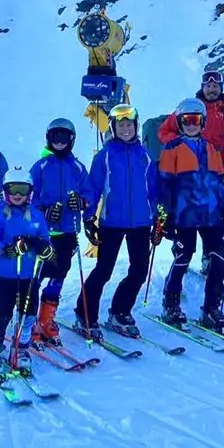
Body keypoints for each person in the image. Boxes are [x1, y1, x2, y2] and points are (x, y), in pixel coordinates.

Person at [79, 104, 160, 340]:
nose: (125, 129)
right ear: (113, 128)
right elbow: (94, 189)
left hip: (141, 222)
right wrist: (88, 218)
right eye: (120, 125)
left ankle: (120, 311)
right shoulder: (104, 156)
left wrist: (158, 218)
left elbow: (153, 190)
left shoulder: (145, 155)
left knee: (139, 271)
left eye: (129, 125)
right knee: (103, 270)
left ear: (136, 126)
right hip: (112, 221)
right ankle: (85, 313)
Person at [159, 97, 224, 335]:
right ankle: (170, 304)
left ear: (203, 122)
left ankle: (211, 308)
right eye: (186, 120)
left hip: (211, 215)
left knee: (220, 257)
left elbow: (219, 184)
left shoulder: (212, 149)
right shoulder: (172, 149)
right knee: (184, 256)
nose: (191, 124)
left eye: (196, 120)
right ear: (179, 123)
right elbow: (164, 186)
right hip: (184, 215)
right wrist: (166, 216)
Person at [29, 118, 97, 344]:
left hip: (67, 232)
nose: (60, 142)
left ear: (71, 141)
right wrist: (43, 212)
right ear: (49, 139)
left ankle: (46, 319)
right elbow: (28, 197)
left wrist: (83, 205)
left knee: (58, 275)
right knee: (36, 277)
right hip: (43, 235)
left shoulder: (76, 167)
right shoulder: (40, 167)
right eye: (55, 138)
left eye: (64, 138)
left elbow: (89, 193)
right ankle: (29, 321)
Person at [0, 168, 53, 373]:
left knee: (27, 316)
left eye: (22, 189)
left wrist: (44, 247)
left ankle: (20, 348)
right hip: (5, 277)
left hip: (29, 278)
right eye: (13, 189)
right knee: (3, 315)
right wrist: (4, 249)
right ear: (5, 191)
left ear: (30, 192)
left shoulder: (36, 215)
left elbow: (46, 239)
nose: (18, 194)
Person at [157, 70, 224, 193]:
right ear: (203, 88)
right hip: (184, 175)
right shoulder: (187, 110)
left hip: (213, 178)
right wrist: (182, 144)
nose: (211, 89)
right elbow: (164, 132)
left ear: (221, 89)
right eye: (208, 86)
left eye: (215, 86)